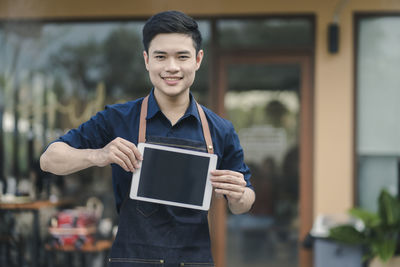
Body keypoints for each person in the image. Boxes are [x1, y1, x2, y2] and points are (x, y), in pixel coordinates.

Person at [40, 10, 255, 266]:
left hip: (193, 260)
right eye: (161, 56)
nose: (171, 67)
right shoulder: (117, 119)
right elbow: (49, 159)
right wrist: (98, 155)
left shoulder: (220, 129)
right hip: (131, 259)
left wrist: (238, 195)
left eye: (182, 56)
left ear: (198, 60)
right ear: (146, 60)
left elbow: (245, 202)